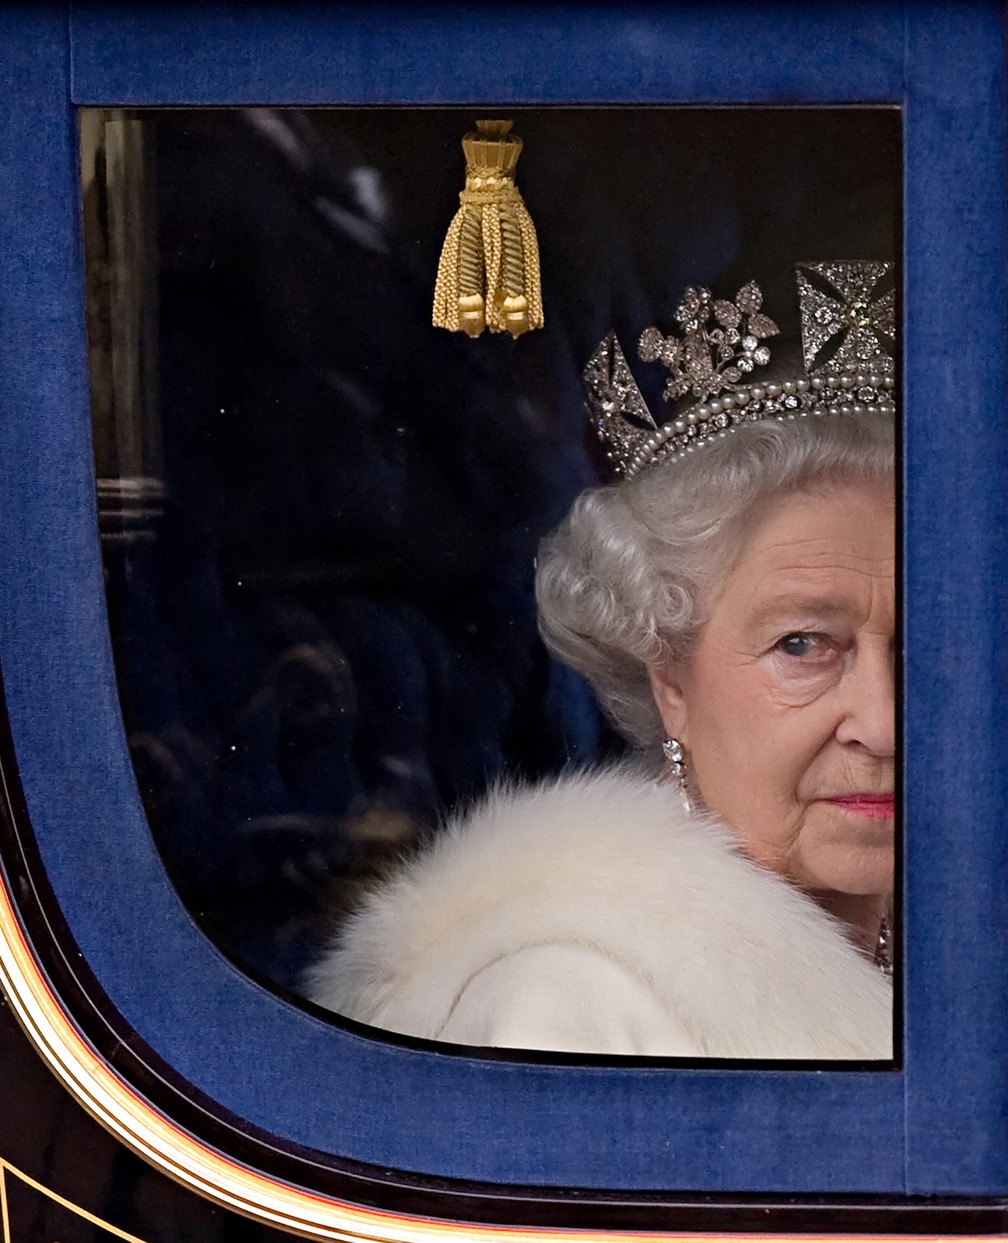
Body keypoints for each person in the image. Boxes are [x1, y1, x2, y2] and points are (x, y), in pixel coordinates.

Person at [304, 263, 897, 1059]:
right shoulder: (559, 1003)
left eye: (921, 647)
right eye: (802, 644)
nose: (885, 723)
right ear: (669, 675)